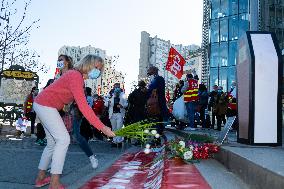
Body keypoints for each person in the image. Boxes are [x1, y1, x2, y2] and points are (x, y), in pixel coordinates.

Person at [33, 54, 115, 189]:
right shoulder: (75, 76)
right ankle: (54, 183)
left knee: (52, 143)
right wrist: (103, 128)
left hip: (44, 104)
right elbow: (84, 107)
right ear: (89, 65)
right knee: (64, 140)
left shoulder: (77, 78)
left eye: (100, 70)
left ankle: (40, 178)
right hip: (45, 105)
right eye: (97, 68)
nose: (98, 72)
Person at [147, 66, 169, 143]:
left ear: (153, 71)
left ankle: (157, 139)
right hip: (157, 103)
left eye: (149, 70)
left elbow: (152, 89)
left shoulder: (158, 79)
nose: (148, 72)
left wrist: (147, 90)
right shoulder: (156, 79)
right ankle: (158, 139)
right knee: (157, 122)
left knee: (156, 122)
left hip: (157, 104)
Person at [106, 83, 128, 148]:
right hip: (112, 113)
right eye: (115, 87)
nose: (116, 88)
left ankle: (119, 141)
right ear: (113, 87)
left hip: (120, 113)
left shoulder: (123, 94)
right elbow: (105, 102)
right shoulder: (110, 94)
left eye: (118, 87)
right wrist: (108, 103)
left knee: (119, 127)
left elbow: (126, 103)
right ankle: (114, 141)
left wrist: (122, 106)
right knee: (114, 128)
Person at [35, 79, 54, 146]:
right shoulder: (45, 90)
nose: (53, 84)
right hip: (42, 110)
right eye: (52, 82)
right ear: (48, 83)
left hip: (47, 111)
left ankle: (41, 139)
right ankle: (39, 139)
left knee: (45, 126)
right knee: (40, 126)